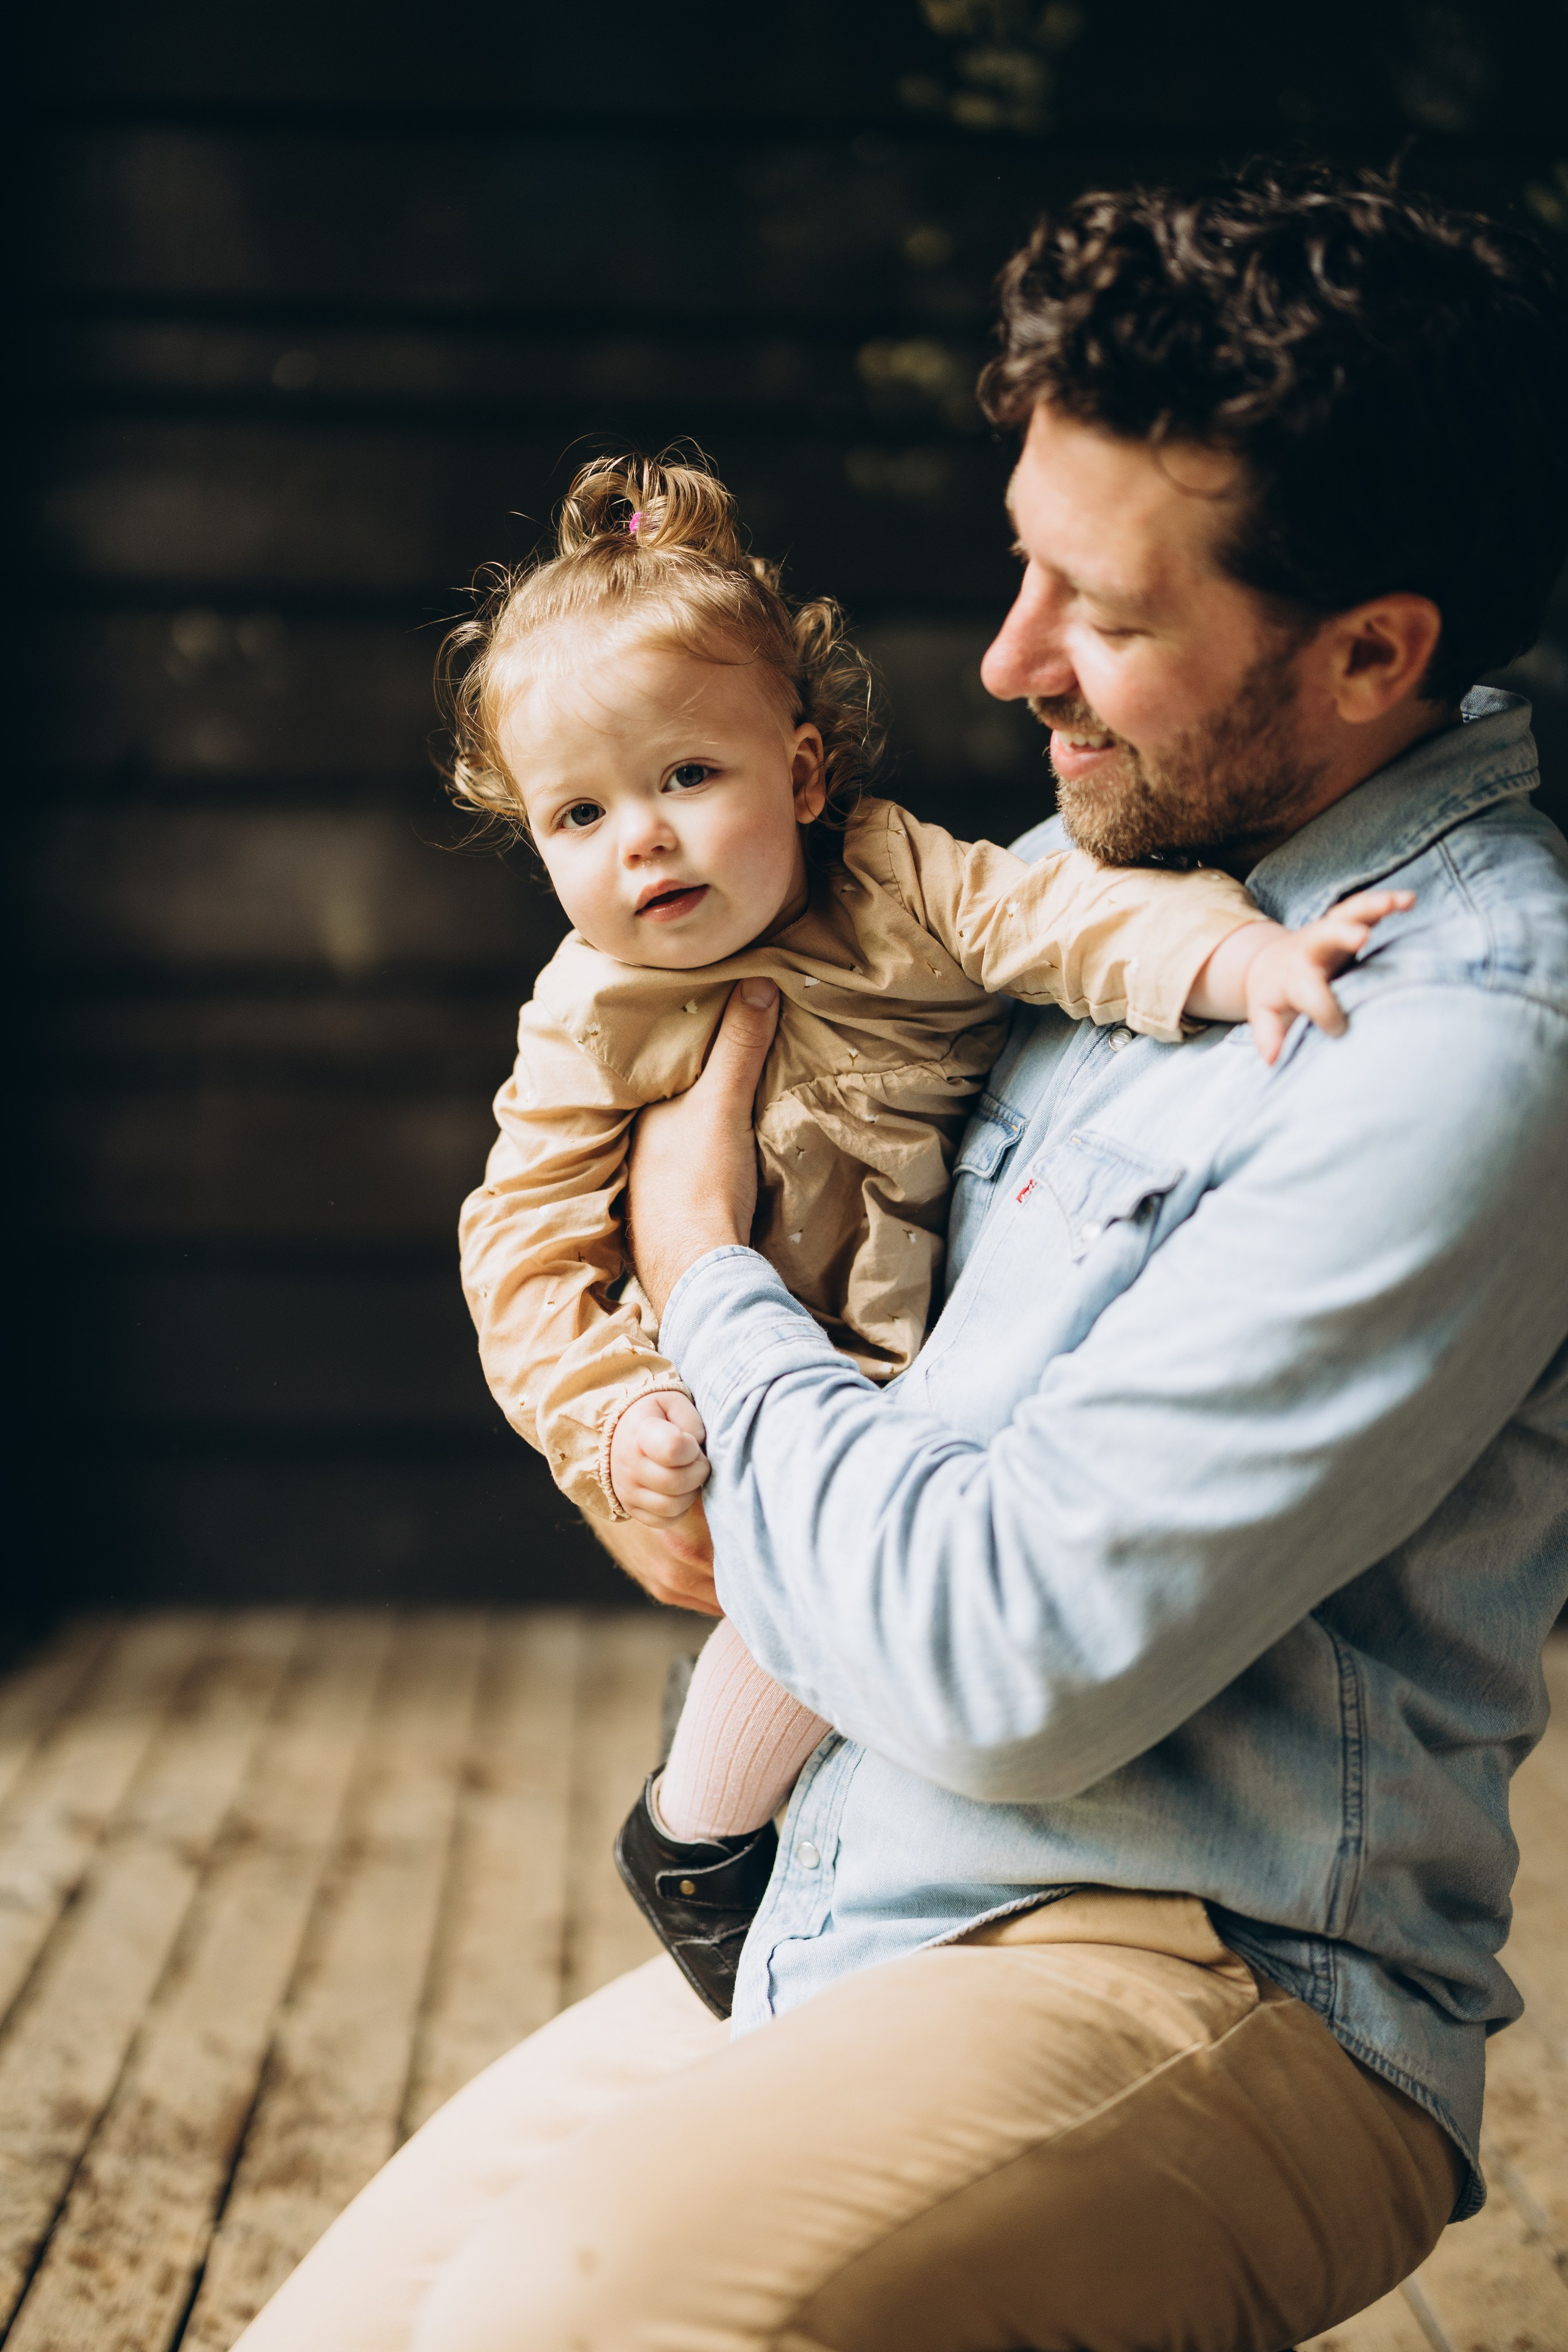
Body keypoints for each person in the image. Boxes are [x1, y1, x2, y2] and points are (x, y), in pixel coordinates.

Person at [232, 161, 1568, 2352]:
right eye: (1021, 564)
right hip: (842, 1917)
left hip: (1192, 1966)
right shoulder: (1075, 876)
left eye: (1099, 611)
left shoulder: (1456, 1046)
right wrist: (629, 1434)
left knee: (556, 2324)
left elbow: (1004, 1663)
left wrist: (705, 1276)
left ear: (1371, 651)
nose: (1008, 660)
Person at [449, 450, 1394, 2016]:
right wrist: (609, 1417)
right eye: (580, 812)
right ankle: (698, 1842)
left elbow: (1063, 917)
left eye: (687, 777)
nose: (642, 843)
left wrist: (1237, 963)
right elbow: (523, 1252)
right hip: (738, 1398)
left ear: (803, 774)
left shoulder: (899, 878)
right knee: (812, 1604)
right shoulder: (588, 1016)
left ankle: (738, 1837)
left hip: (924, 1374)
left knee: (890, 1592)